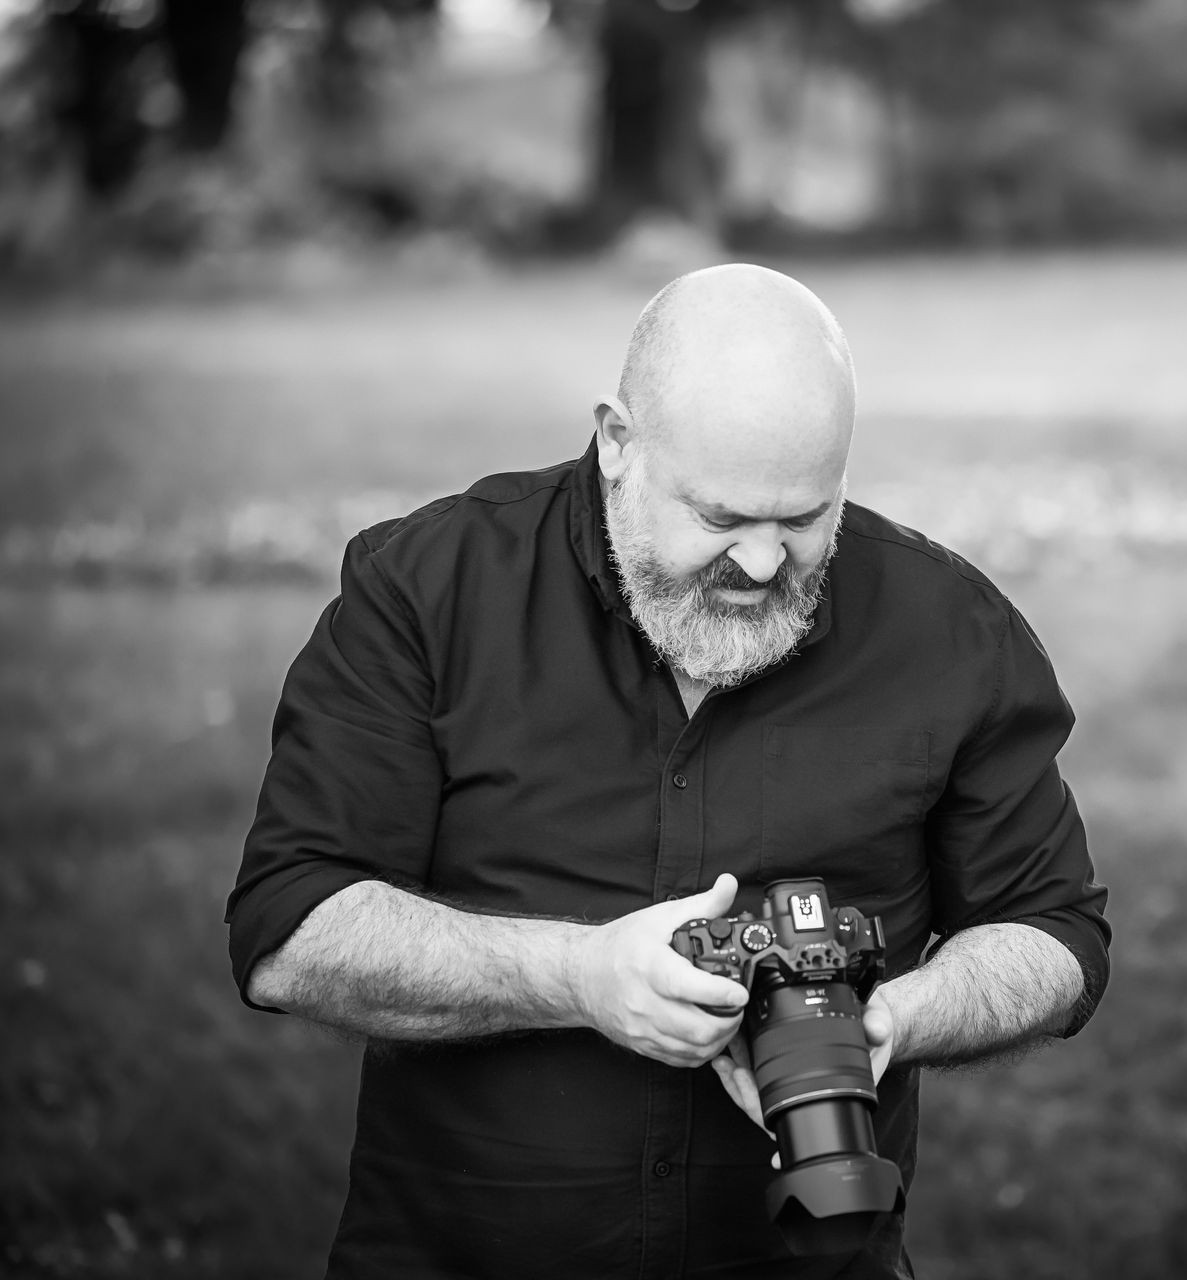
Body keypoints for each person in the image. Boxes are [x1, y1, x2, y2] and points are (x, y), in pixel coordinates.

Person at [225, 263, 1111, 1279]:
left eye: (807, 516)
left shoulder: (949, 631)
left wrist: (892, 1020)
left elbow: (1056, 932)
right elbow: (291, 930)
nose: (768, 564)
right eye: (724, 519)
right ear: (617, 444)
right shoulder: (430, 592)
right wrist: (579, 977)